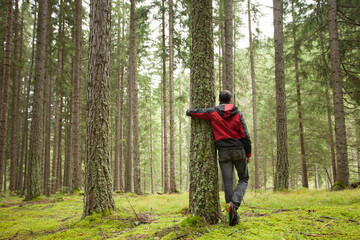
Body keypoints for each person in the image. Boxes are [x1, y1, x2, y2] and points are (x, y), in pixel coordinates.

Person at [186, 90, 251, 226]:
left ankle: (233, 215)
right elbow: (245, 134)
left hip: (223, 153)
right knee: (244, 178)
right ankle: (234, 206)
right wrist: (248, 153)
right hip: (239, 150)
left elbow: (199, 112)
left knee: (228, 183)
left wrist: (189, 111)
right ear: (230, 100)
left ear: (219, 100)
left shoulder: (213, 112)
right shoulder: (237, 113)